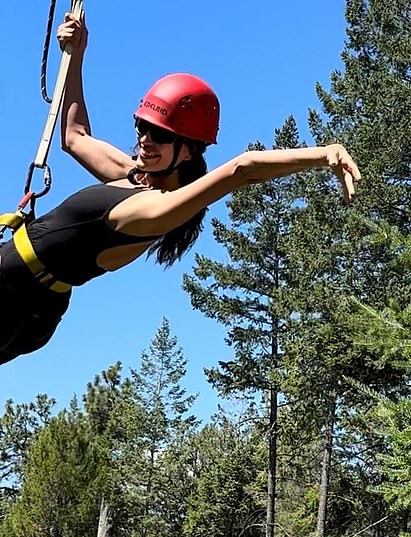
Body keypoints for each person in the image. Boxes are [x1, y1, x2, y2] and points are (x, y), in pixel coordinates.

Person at [0, 12, 360, 365]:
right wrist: (77, 53)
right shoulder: (133, 176)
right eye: (141, 126)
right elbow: (74, 137)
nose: (144, 140)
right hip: (19, 294)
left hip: (13, 298)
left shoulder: (156, 212)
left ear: (188, 150)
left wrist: (325, 154)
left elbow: (242, 169)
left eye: (159, 135)